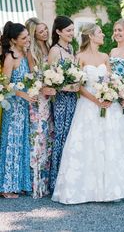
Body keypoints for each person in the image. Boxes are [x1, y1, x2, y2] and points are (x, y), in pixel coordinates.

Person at [52, 23, 124, 204]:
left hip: (108, 105)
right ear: (91, 36)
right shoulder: (80, 57)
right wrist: (96, 100)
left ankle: (114, 188)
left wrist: (111, 95)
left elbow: (111, 80)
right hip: (88, 105)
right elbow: (78, 87)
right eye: (100, 33)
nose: (104, 35)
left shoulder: (106, 56)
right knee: (89, 145)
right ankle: (88, 190)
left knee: (111, 144)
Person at [0, 22, 37, 198]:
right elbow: (4, 86)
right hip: (13, 107)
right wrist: (22, 94)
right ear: (13, 40)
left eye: (27, 36)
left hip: (24, 107)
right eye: (24, 38)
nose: (27, 39)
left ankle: (19, 183)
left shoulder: (26, 54)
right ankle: (6, 186)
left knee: (22, 143)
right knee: (11, 143)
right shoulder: (10, 58)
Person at [48, 16, 78, 192]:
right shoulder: (55, 51)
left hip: (73, 99)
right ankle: (57, 181)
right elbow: (51, 80)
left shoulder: (71, 48)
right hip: (60, 100)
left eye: (73, 30)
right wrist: (70, 87)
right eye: (68, 30)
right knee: (61, 136)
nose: (71, 33)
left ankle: (70, 178)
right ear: (58, 32)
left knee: (71, 136)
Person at [25, 18, 55, 198]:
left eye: (45, 29)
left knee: (48, 136)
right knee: (39, 137)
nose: (44, 33)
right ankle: (36, 182)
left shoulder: (49, 47)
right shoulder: (32, 51)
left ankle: (46, 180)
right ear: (33, 33)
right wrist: (43, 88)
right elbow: (32, 76)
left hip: (49, 96)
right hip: (38, 99)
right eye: (40, 31)